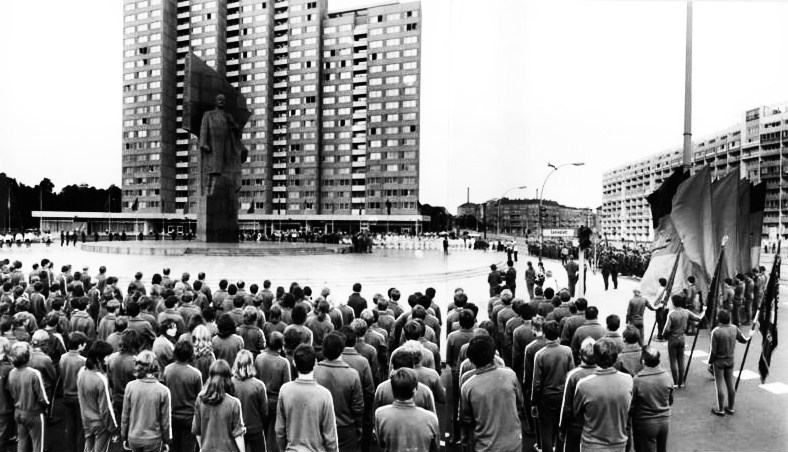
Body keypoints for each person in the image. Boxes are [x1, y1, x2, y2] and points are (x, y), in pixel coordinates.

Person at [460, 335, 523, 452]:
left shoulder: (468, 386)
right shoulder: (510, 375)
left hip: (485, 446)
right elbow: (519, 404)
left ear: (471, 360)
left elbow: (466, 421)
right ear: (494, 355)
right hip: (514, 444)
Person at [573, 338, 633, 452]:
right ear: (615, 357)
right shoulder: (628, 380)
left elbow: (577, 414)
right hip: (619, 443)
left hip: (592, 444)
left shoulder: (583, 384)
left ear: (595, 357)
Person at [275, 344, 338, 452]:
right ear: (315, 363)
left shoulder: (284, 391)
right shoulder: (324, 394)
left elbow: (280, 430)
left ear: (294, 363)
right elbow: (330, 437)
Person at [314, 332, 364, 452]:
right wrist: (359, 427)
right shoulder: (352, 374)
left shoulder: (314, 372)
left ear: (323, 350)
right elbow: (358, 407)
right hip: (346, 429)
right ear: (341, 349)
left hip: (319, 426)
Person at [532, 320, 575, 452]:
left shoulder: (540, 355)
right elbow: (571, 375)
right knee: (560, 428)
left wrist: (534, 402)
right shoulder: (567, 351)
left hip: (546, 397)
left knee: (546, 430)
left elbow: (536, 382)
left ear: (544, 334)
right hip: (563, 396)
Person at [374, 368, 440, 452]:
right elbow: (435, 447)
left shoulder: (380, 414)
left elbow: (381, 443)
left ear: (393, 390)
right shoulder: (431, 418)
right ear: (415, 391)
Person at [121, 350, 172, 452]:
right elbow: (166, 421)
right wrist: (167, 440)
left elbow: (125, 415)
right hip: (153, 439)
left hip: (134, 437)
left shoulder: (130, 387)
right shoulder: (163, 391)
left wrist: (124, 436)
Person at [192, 360, 247, 452]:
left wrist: (202, 447)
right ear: (228, 378)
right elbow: (238, 435)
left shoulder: (200, 400)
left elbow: (197, 430)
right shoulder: (234, 403)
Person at [199, 93, 247, 197]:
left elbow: (237, 130)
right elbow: (204, 129)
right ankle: (209, 192)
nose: (222, 102)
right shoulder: (209, 114)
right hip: (213, 145)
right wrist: (203, 143)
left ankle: (223, 192)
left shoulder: (228, 116)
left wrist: (233, 124)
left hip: (226, 145)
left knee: (224, 170)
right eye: (220, 100)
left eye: (224, 100)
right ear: (215, 102)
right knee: (213, 170)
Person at [7, 342, 49, 452]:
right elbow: (43, 397)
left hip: (18, 412)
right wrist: (46, 407)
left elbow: (11, 393)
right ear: (28, 357)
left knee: (22, 443)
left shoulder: (11, 372)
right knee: (38, 446)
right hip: (34, 413)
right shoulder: (34, 373)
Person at [709, 309, 753, 416]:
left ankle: (720, 409)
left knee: (719, 385)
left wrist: (710, 362)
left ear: (719, 319)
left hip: (719, 362)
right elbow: (744, 340)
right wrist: (750, 335)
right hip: (730, 360)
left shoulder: (716, 331)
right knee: (730, 384)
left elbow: (713, 351)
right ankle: (731, 407)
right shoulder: (734, 328)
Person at [77, 341, 118, 452]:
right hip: (100, 424)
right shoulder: (101, 379)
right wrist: (113, 428)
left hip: (86, 420)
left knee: (88, 448)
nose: (110, 358)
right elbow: (106, 408)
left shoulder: (82, 372)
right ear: (99, 359)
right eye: (108, 356)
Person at [163, 341, 203, 452]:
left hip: (171, 416)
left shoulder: (167, 370)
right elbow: (199, 398)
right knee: (188, 448)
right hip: (189, 418)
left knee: (173, 448)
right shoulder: (195, 374)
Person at [559, 337, 598, 452]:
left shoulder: (573, 375)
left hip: (576, 427)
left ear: (581, 355)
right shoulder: (602, 373)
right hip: (595, 426)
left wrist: (562, 428)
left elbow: (566, 406)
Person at [631, 346, 673, 452]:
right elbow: (670, 400)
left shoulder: (638, 380)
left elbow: (632, 404)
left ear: (643, 361)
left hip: (645, 422)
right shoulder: (667, 376)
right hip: (664, 421)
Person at [255, 331, 291, 452]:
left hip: (260, 400)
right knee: (276, 434)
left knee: (262, 432)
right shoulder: (284, 362)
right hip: (277, 402)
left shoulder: (259, 358)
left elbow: (255, 379)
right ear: (281, 346)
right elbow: (286, 385)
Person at [662, 295, 705, 388]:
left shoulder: (671, 314)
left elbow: (667, 329)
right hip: (682, 338)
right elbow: (698, 318)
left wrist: (664, 336)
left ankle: (675, 382)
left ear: (673, 303)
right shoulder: (686, 312)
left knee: (673, 360)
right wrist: (704, 311)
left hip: (673, 338)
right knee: (681, 360)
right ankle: (681, 382)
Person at [232, 350, 268, 452]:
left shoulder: (230, 383)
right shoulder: (259, 385)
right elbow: (264, 411)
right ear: (251, 364)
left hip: (236, 430)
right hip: (255, 428)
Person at [61, 331, 88, 452]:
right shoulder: (83, 361)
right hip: (79, 398)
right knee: (81, 428)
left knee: (70, 427)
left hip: (66, 395)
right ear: (80, 345)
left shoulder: (63, 358)